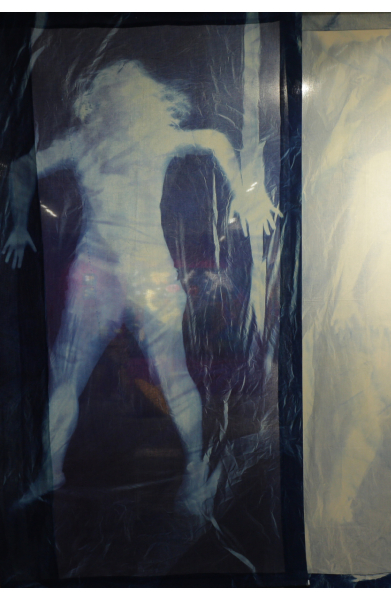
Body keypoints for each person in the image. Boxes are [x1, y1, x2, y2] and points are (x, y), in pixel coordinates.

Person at [3, 60, 278, 515]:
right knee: (90, 377)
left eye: (120, 94)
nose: (117, 102)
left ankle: (187, 474)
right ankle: (65, 470)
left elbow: (213, 139)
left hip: (124, 274)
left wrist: (249, 193)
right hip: (116, 274)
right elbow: (21, 166)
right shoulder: (107, 141)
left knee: (133, 377)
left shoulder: (111, 141)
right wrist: (247, 192)